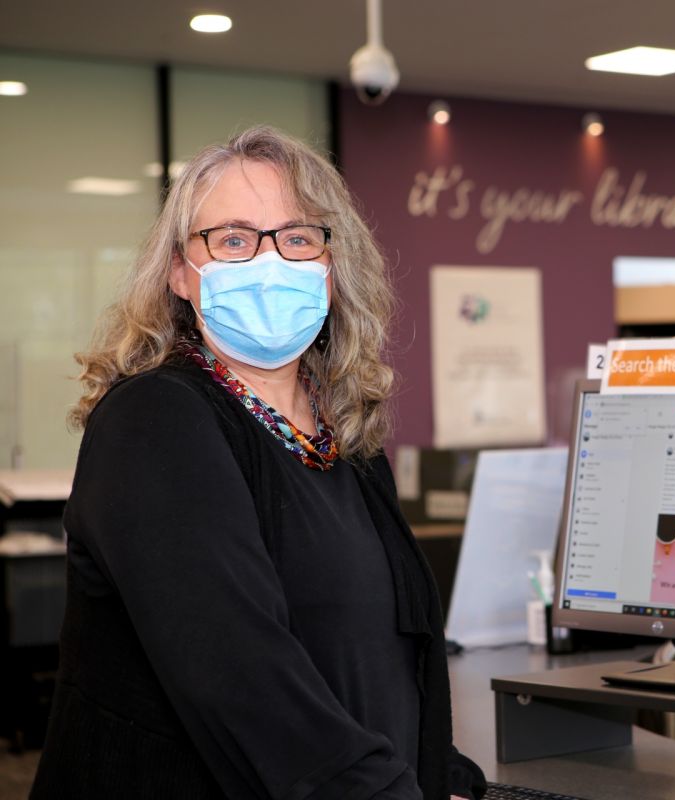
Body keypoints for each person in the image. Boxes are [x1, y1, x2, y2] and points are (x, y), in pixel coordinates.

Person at [31, 126, 485, 800]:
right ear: (180, 272)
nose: (269, 263)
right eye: (234, 240)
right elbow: (238, 675)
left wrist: (440, 772)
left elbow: (381, 651)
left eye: (298, 237)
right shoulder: (154, 420)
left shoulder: (343, 434)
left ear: (332, 265)